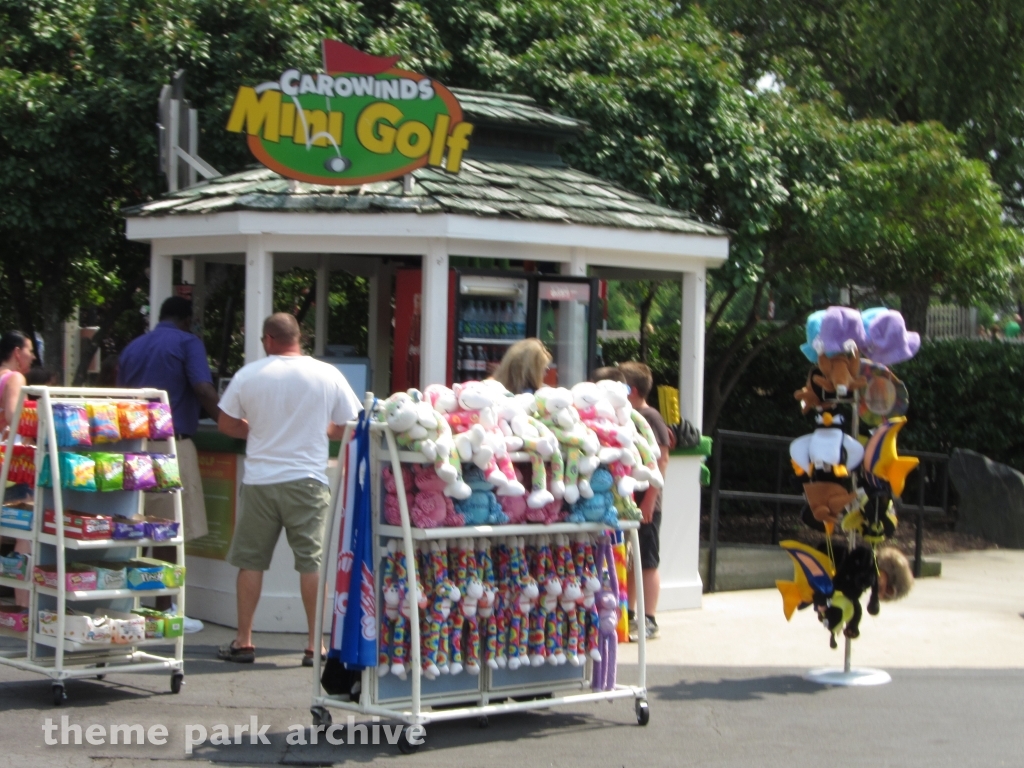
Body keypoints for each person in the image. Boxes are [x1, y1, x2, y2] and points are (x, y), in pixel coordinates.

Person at [217, 313, 361, 665]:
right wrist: (325, 430)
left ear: (268, 339)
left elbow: (225, 424)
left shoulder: (249, 375)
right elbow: (352, 424)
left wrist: (253, 429)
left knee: (251, 563)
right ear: (300, 337)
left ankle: (244, 640)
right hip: (308, 482)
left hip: (260, 482)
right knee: (311, 564)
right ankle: (315, 646)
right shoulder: (327, 374)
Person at [118, 297, 221, 631]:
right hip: (169, 444)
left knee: (138, 525)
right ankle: (165, 606)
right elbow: (203, 389)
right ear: (187, 320)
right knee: (168, 528)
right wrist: (227, 421)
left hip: (132, 444)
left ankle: (131, 602)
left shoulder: (133, 346)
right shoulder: (188, 342)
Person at [617, 361, 671, 641]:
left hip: (645, 503)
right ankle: (630, 612)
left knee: (647, 560)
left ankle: (649, 617)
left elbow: (661, 459)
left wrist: (650, 499)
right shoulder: (625, 415)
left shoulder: (650, 417)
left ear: (632, 390)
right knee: (631, 559)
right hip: (628, 501)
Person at [0, 332, 36, 607]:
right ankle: (24, 605)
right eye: (29, 351)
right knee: (26, 529)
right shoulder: (14, 378)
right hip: (10, 468)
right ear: (16, 352)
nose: (33, 357)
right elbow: (14, 417)